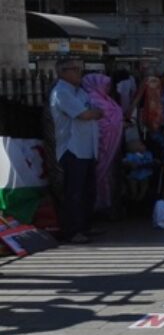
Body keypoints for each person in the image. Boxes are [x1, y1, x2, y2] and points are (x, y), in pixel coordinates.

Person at [50, 59, 102, 244]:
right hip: (72, 149)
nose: (79, 72)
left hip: (87, 149)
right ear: (63, 71)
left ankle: (86, 226)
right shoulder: (61, 92)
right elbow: (85, 114)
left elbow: (95, 111)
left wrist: (94, 113)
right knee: (74, 192)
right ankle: (72, 231)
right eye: (75, 69)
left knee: (88, 190)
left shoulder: (80, 92)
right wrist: (94, 113)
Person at [83, 73, 123, 214]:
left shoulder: (106, 99)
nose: (107, 88)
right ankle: (98, 207)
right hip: (101, 145)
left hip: (111, 145)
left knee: (109, 176)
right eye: (105, 85)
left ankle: (107, 205)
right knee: (100, 175)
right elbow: (101, 122)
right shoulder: (92, 99)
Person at [121, 138, 155, 211]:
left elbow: (151, 162)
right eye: (140, 145)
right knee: (132, 185)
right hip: (133, 175)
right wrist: (129, 164)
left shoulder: (148, 154)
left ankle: (140, 197)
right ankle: (133, 196)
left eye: (142, 145)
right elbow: (125, 162)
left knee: (144, 184)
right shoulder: (130, 155)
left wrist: (148, 164)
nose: (142, 146)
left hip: (145, 175)